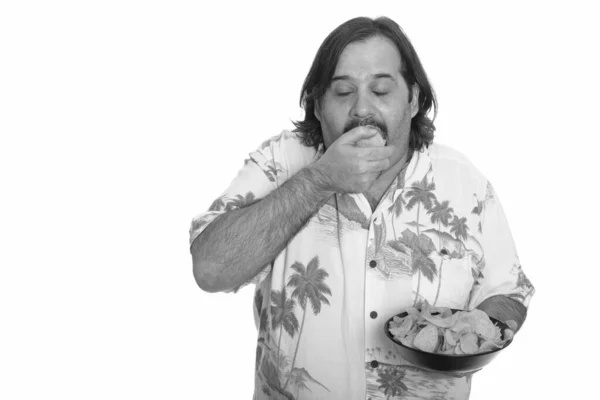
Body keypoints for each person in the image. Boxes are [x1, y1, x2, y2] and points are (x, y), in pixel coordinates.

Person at [189, 16, 535, 400]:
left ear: (414, 99)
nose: (361, 110)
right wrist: (320, 179)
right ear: (317, 105)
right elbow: (210, 269)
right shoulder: (283, 161)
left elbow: (508, 289)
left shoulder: (465, 182)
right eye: (342, 92)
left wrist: (471, 332)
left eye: (382, 90)